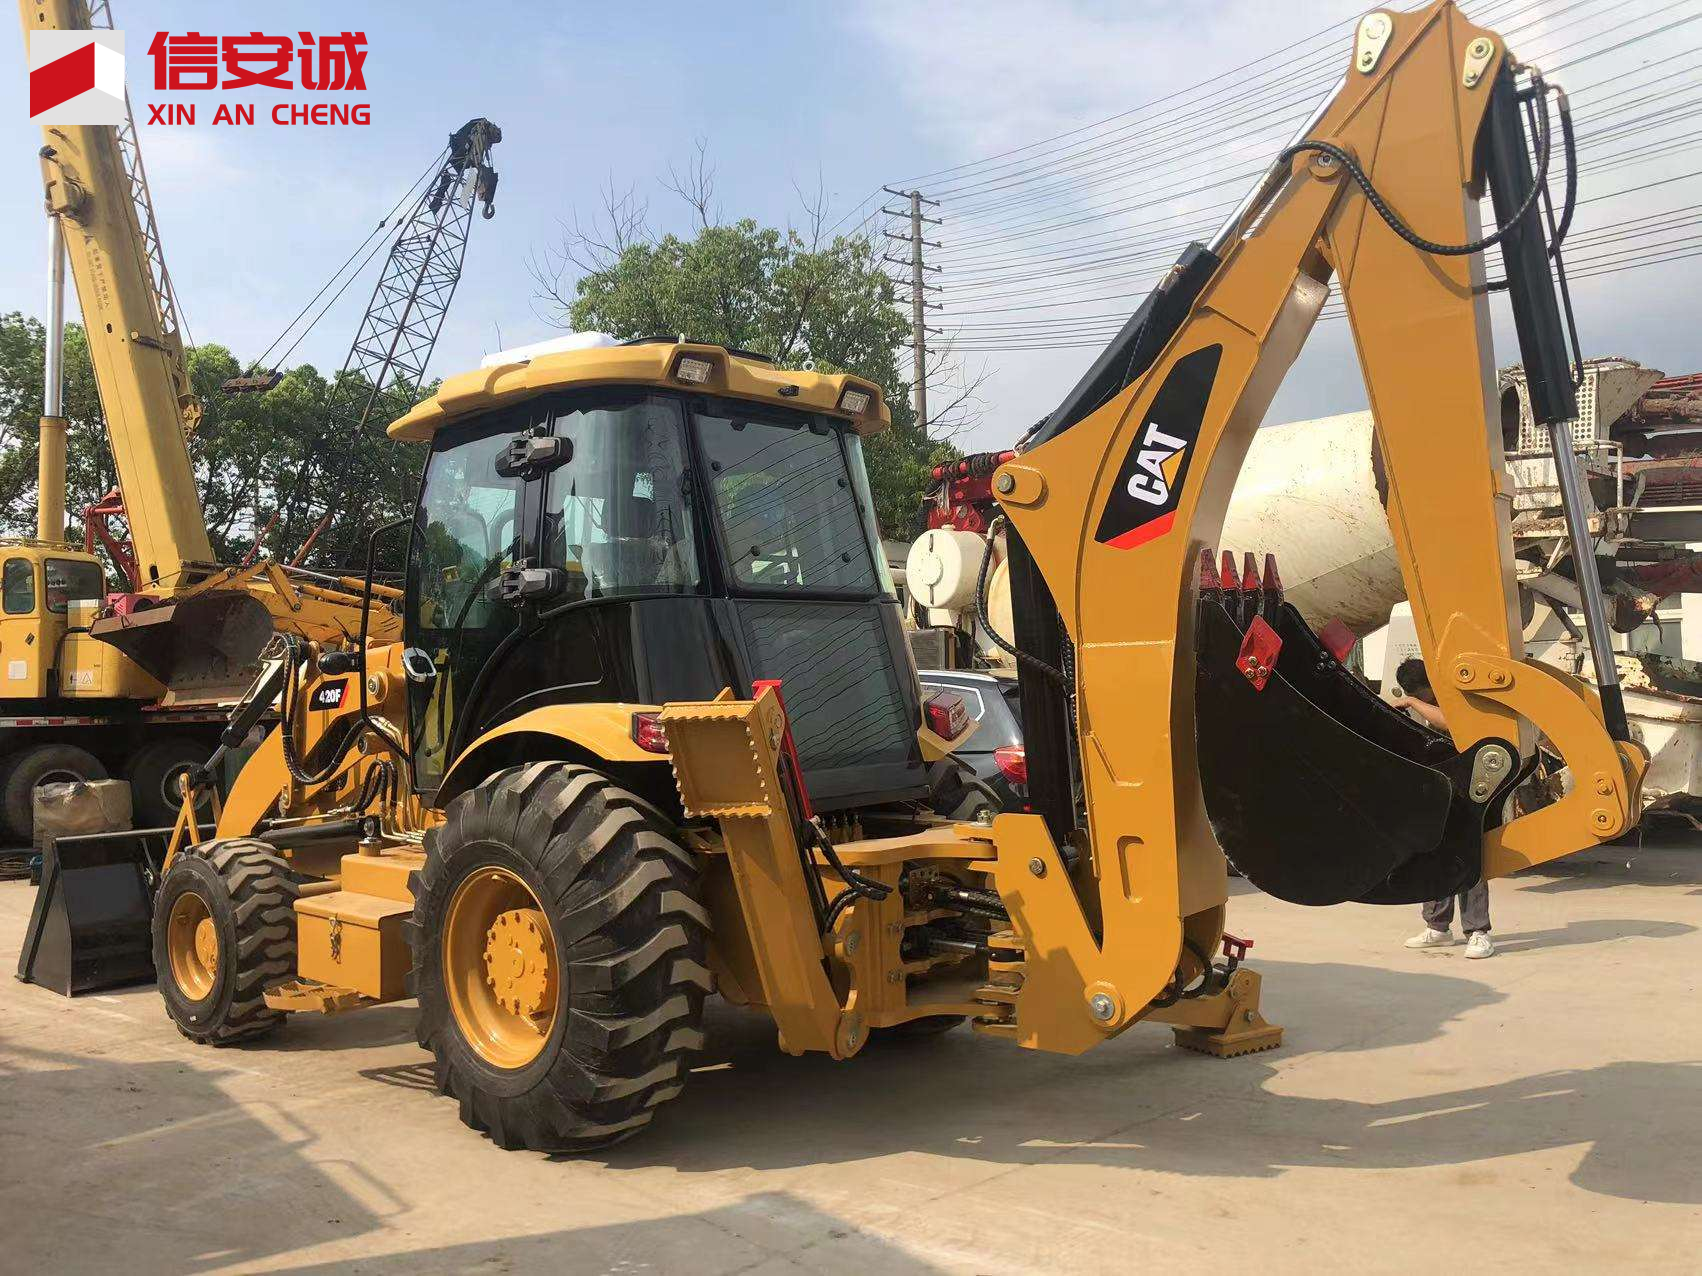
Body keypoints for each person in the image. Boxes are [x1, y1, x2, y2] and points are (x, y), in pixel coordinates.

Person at [1390, 655, 1496, 959]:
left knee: (1468, 856)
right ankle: (1437, 926)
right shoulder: (1423, 702)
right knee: (1433, 854)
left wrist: (1413, 703)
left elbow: (1450, 722)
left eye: (1420, 694)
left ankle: (1478, 931)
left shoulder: (1455, 696)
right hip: (1437, 788)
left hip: (1470, 785)